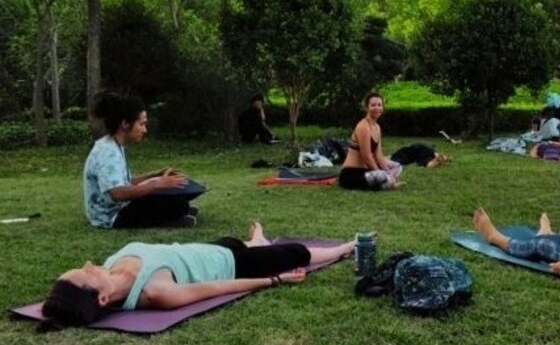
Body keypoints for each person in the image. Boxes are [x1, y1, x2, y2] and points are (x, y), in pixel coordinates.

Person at [41, 222, 356, 326]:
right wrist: (275, 279)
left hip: (205, 248)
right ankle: (347, 247)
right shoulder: (156, 292)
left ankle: (257, 239)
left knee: (246, 243)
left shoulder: (111, 263)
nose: (87, 265)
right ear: (103, 297)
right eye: (86, 274)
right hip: (234, 264)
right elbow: (219, 286)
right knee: (297, 252)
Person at [84, 91, 196, 229]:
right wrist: (157, 184)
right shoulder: (107, 151)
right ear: (125, 124)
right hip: (112, 217)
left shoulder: (115, 146)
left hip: (122, 208)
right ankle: (174, 217)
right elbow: (117, 193)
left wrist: (155, 175)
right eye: (142, 124)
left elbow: (126, 183)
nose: (145, 130)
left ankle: (176, 214)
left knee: (175, 199)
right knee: (175, 204)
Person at [339, 92, 402, 190]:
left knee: (397, 166)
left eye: (379, 105)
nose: (377, 108)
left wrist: (388, 173)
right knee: (383, 176)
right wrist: (383, 174)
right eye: (373, 105)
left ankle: (387, 182)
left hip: (366, 171)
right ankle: (386, 182)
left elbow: (378, 156)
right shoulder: (363, 127)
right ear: (367, 107)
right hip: (351, 174)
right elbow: (366, 157)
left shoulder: (377, 127)